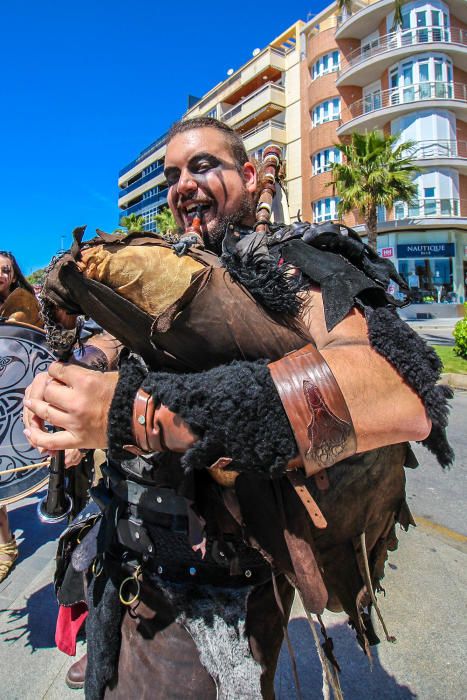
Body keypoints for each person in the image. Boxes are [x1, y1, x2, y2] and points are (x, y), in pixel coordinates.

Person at [23, 118, 451, 699]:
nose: (182, 185)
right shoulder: (176, 263)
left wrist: (137, 414)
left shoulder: (290, 263)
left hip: (216, 599)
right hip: (124, 566)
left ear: (249, 177)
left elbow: (397, 390)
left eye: (204, 166)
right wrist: (74, 383)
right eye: (173, 174)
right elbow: (123, 339)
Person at [0, 251, 43, 583]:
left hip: (16, 399)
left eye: (5, 270)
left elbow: (15, 349)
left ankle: (6, 548)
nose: (0, 274)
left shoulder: (21, 301)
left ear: (14, 276)